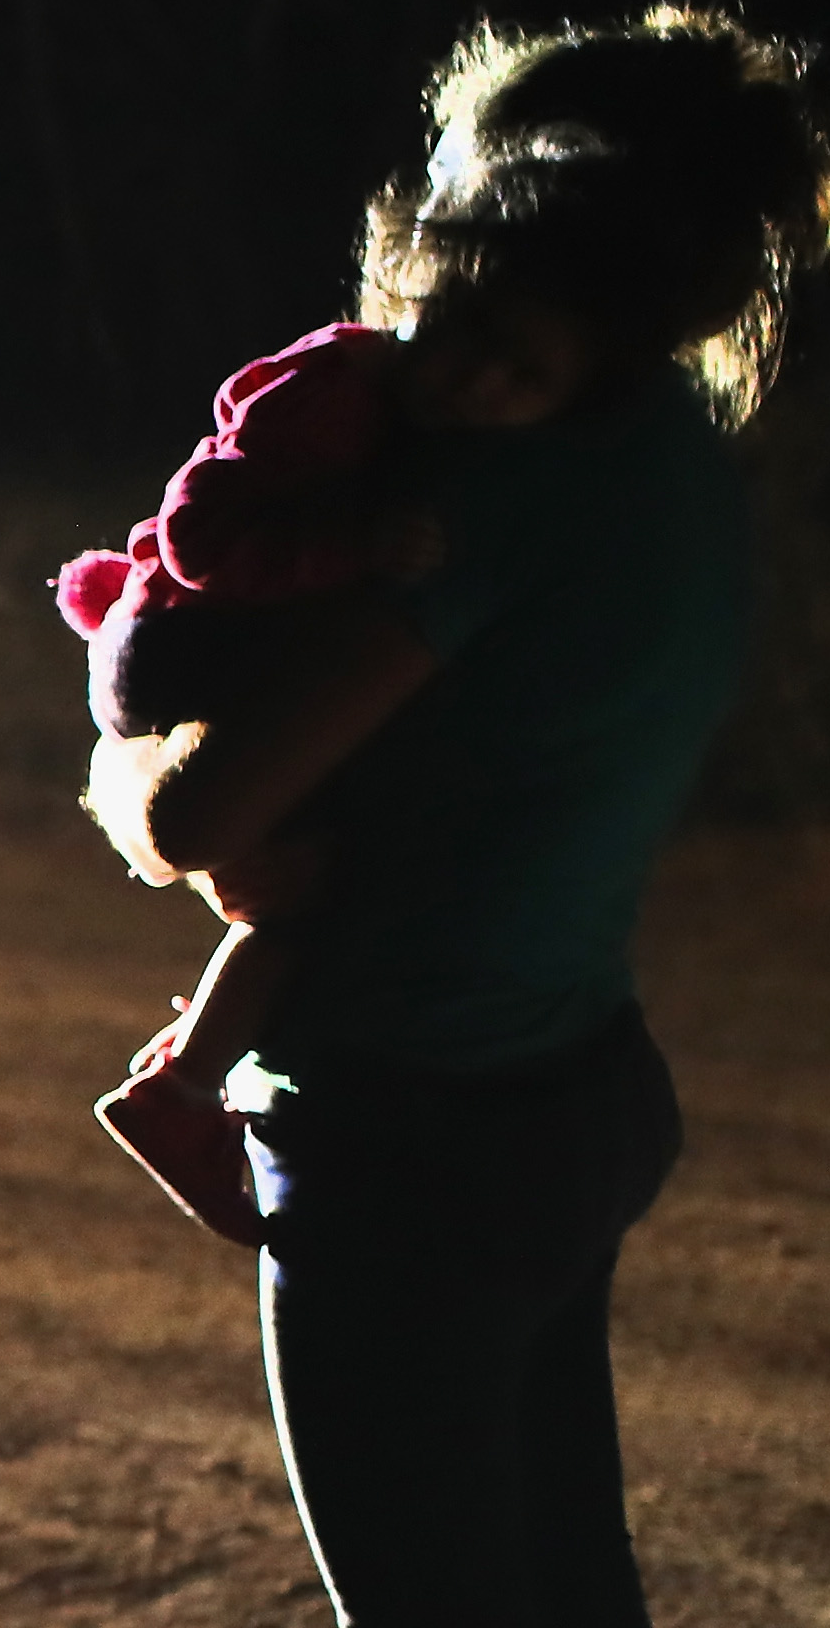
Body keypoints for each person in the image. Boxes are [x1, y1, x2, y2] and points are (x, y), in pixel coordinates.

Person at [98, 8, 830, 1628]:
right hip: (564, 1085)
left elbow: (200, 820)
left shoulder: (475, 499)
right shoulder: (657, 445)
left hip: (405, 1134)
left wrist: (132, 761)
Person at [51, 285, 608, 1239]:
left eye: (524, 377)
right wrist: (354, 550)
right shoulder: (334, 399)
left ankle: (196, 1055)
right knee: (300, 891)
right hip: (174, 639)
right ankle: (179, 1091)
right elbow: (198, 530)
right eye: (478, 341)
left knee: (299, 868)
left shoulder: (403, 411)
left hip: (183, 638)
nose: (485, 381)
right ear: (420, 300)